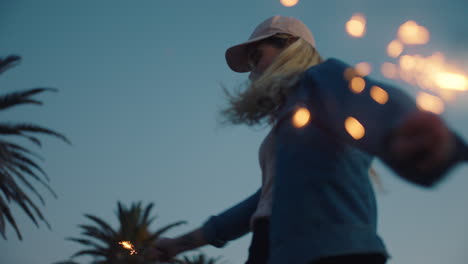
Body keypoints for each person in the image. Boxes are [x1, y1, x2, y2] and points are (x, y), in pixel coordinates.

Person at [145, 16, 468, 264]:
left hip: (333, 252)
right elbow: (264, 202)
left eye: (257, 56)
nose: (252, 70)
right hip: (275, 250)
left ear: (290, 47)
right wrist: (181, 244)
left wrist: (414, 130)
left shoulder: (318, 80)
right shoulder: (289, 124)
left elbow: (372, 100)